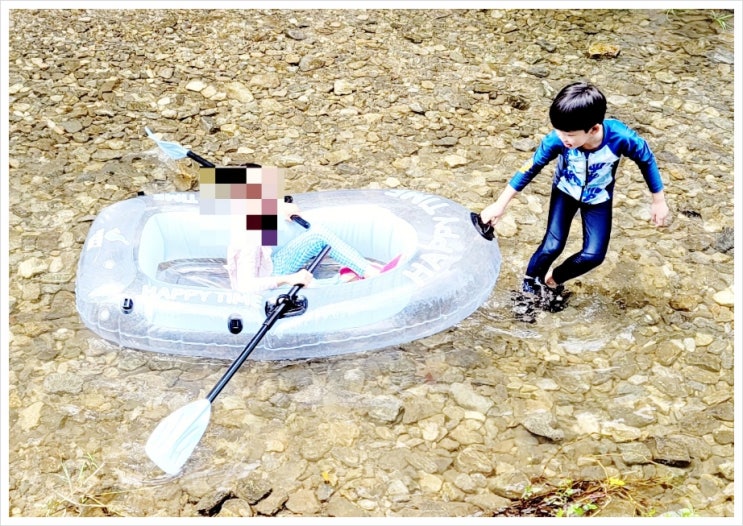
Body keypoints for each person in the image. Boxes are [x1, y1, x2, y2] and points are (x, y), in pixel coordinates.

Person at [480, 81, 670, 304]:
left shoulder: (621, 138)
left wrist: (659, 201)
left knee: (593, 255)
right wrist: (500, 205)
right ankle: (528, 289)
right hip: (565, 192)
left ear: (594, 129)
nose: (563, 138)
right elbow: (529, 167)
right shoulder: (557, 139)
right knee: (552, 246)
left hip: (598, 198)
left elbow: (647, 160)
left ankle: (553, 280)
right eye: (559, 131)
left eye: (569, 134)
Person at [225, 200, 394, 292]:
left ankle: (366, 270)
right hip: (264, 287)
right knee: (308, 287)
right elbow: (245, 286)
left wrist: (283, 207)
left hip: (270, 266)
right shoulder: (248, 240)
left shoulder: (253, 215)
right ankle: (345, 280)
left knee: (317, 234)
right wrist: (288, 279)